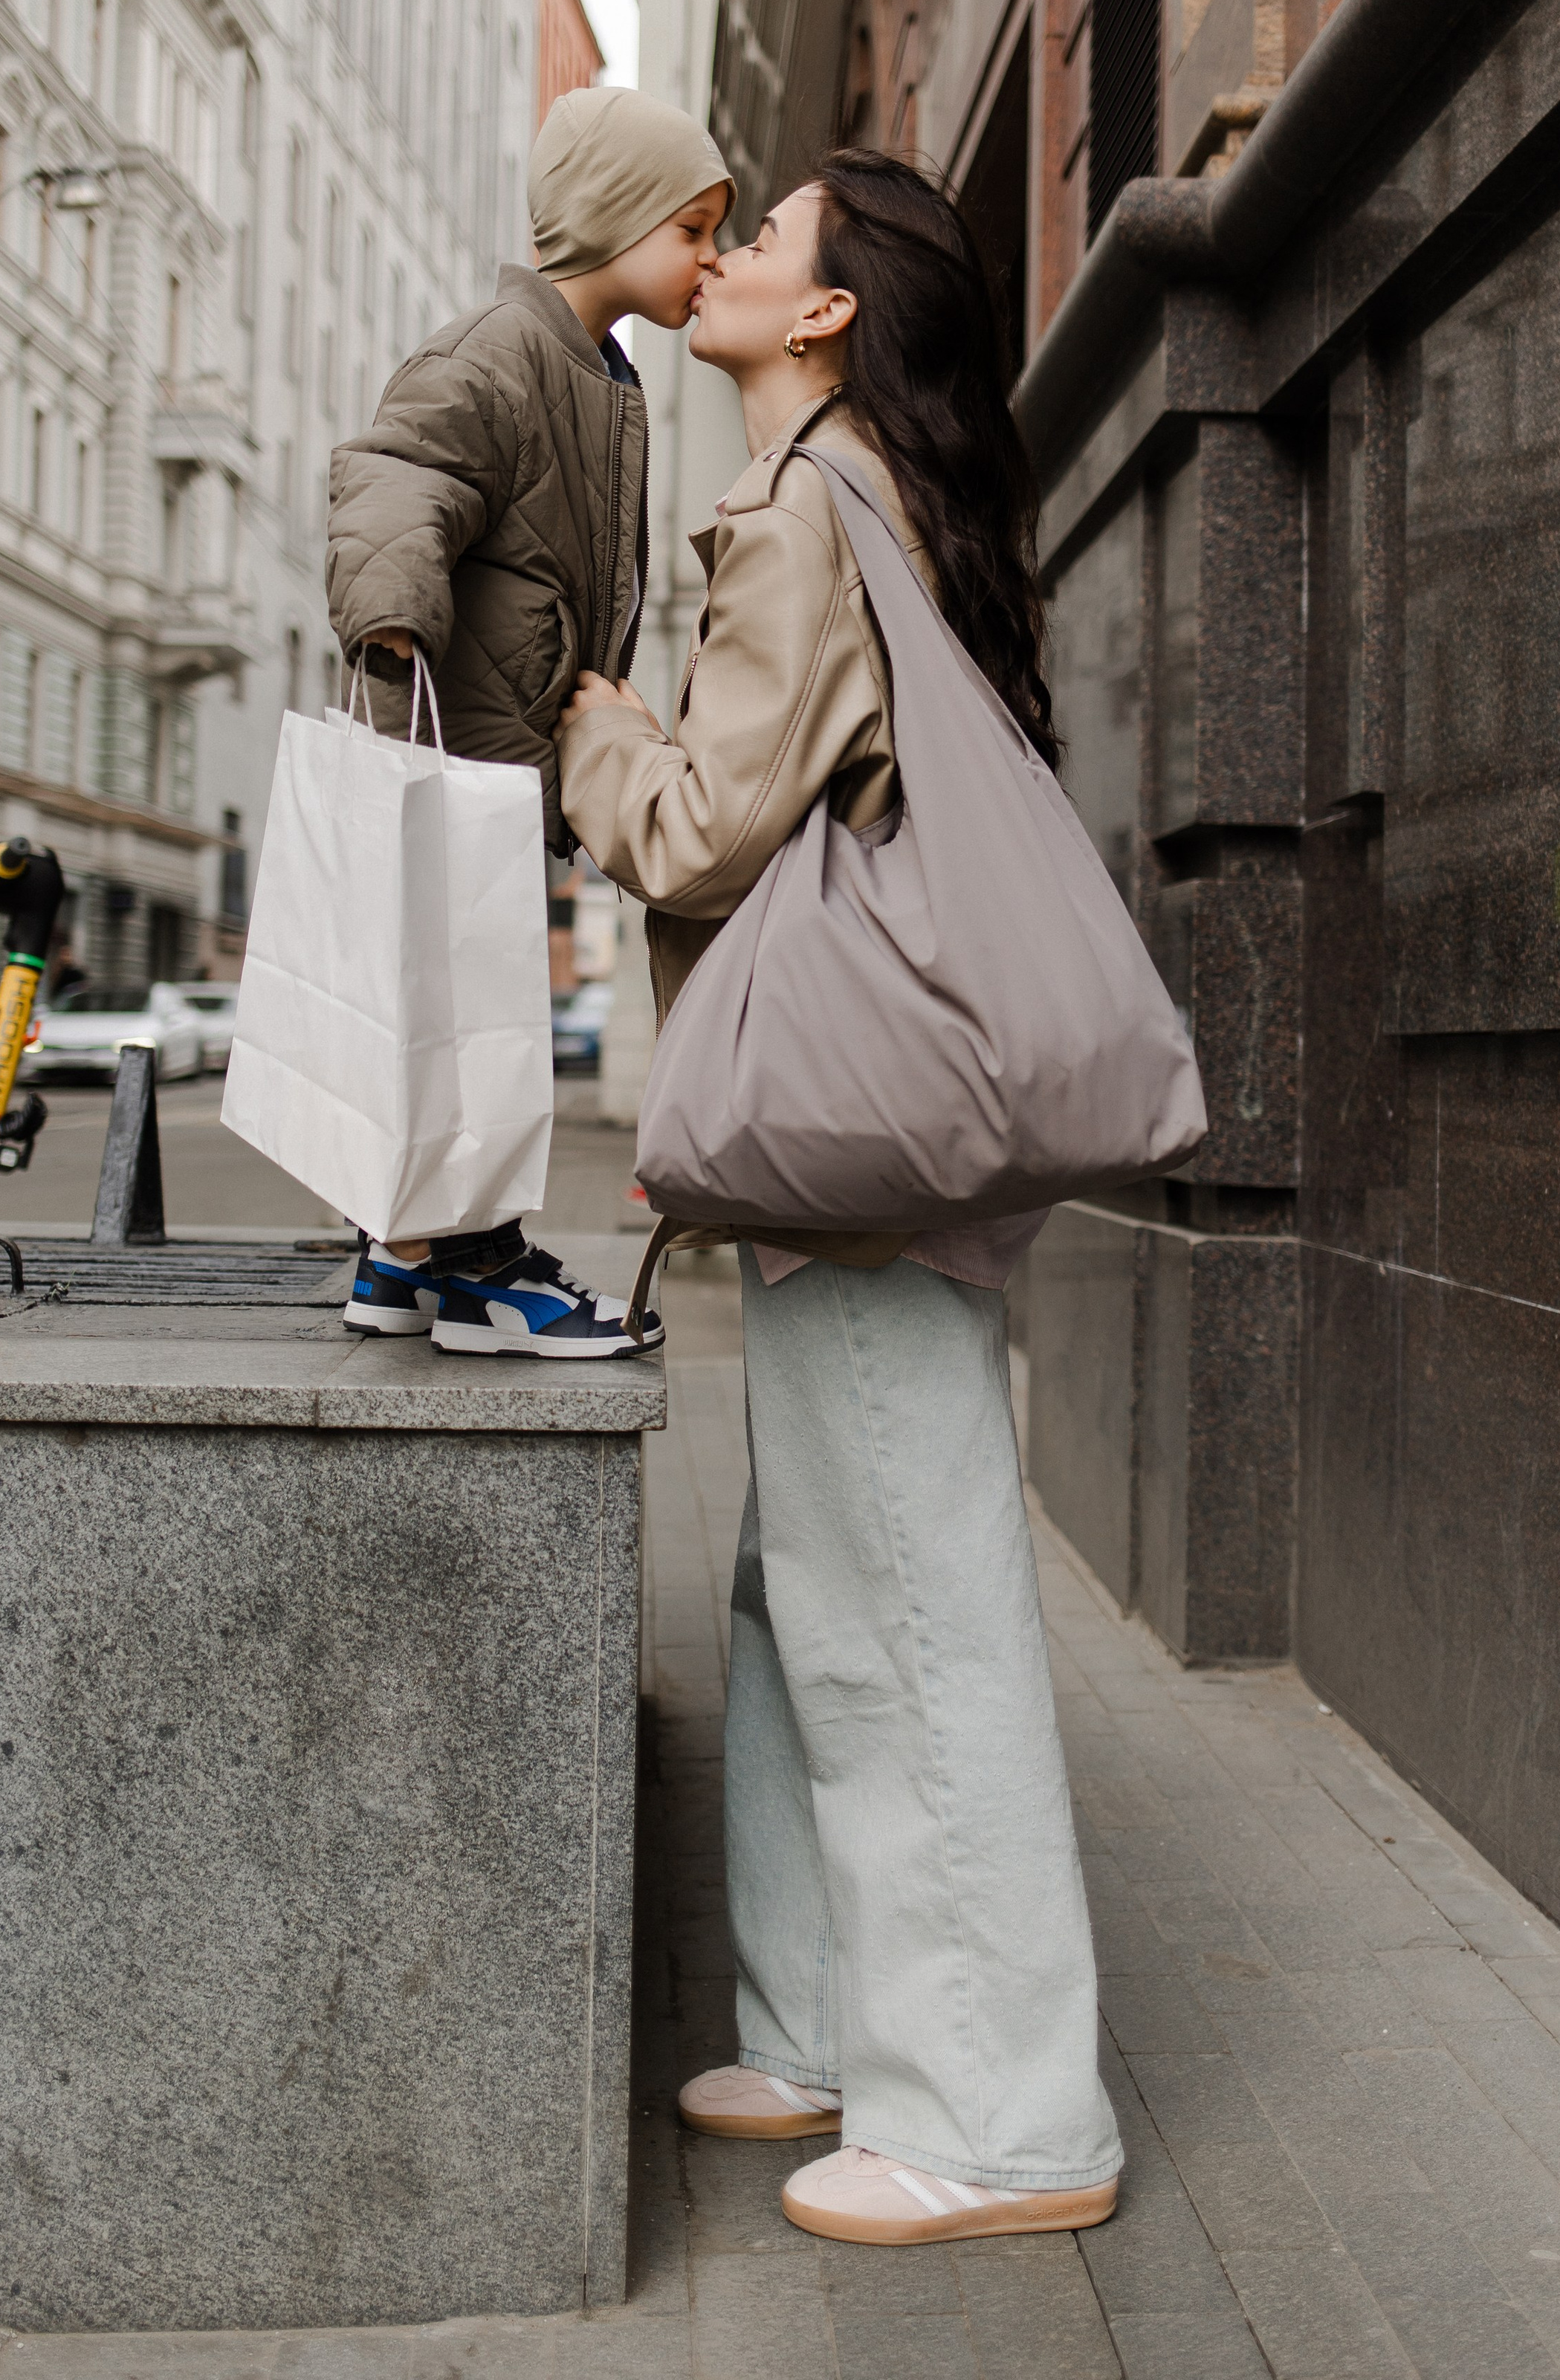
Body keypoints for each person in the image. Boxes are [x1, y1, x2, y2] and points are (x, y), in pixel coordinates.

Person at [554, 150, 1124, 2243]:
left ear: (823, 314)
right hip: (861, 1151)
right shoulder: (883, 500)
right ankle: (821, 2030)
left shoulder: (808, 506)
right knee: (808, 1605)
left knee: (904, 1617)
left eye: (760, 239)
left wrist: (596, 732)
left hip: (853, 1164)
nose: (715, 258)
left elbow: (705, 829)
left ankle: (1001, 2123)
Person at [325, 85, 732, 1357]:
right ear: (615, 219)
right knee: (478, 1020)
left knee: (467, 1009)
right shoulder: (499, 350)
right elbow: (395, 474)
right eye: (694, 230)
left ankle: (401, 1257)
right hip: (454, 746)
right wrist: (393, 611)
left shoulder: (600, 371)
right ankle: (481, 1269)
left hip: (508, 751)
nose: (711, 259)